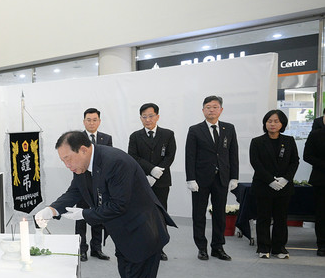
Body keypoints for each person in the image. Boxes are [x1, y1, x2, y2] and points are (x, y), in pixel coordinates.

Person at [35, 131, 175, 278]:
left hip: (142, 232)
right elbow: (74, 192)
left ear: (83, 150)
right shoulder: (83, 167)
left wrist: (84, 214)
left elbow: (119, 205)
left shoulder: (115, 162)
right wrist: (51, 210)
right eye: (63, 161)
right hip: (124, 234)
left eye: (68, 159)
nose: (67, 165)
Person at [185, 95, 239, 261]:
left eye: (215, 107)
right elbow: (190, 156)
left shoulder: (229, 128)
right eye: (208, 107)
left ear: (221, 110)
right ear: (203, 110)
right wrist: (190, 179)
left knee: (219, 215)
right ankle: (201, 248)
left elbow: (233, 154)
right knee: (199, 215)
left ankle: (218, 247)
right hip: (200, 179)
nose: (211, 110)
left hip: (222, 178)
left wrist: (234, 177)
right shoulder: (195, 130)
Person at [128, 103, 176, 261]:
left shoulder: (168, 134)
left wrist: (156, 173)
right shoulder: (135, 136)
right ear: (140, 118)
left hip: (162, 182)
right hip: (142, 181)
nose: (147, 119)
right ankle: (143, 246)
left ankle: (159, 248)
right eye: (144, 117)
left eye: (150, 116)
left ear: (157, 116)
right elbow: (133, 157)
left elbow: (170, 156)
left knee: (160, 214)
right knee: (142, 214)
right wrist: (150, 170)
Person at [249, 110, 300, 258]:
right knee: (263, 218)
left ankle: (279, 248)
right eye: (269, 121)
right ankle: (263, 247)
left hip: (284, 187)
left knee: (281, 218)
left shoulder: (289, 140)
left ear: (282, 124)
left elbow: (294, 161)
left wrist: (286, 179)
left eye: (276, 121)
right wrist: (270, 180)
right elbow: (255, 163)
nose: (272, 124)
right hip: (263, 185)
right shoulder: (257, 141)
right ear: (265, 123)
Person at [77, 108, 112, 262]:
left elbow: (108, 160)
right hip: (82, 184)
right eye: (88, 120)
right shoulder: (76, 139)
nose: (91, 123)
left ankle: (96, 248)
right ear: (84, 121)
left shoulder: (106, 138)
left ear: (99, 121)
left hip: (100, 185)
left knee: (98, 216)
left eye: (94, 120)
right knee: (81, 217)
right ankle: (81, 249)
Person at [303, 116, 325, 256]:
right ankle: (322, 245)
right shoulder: (316, 135)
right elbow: (307, 156)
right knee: (322, 214)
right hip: (321, 179)